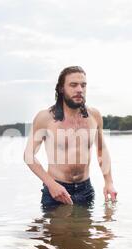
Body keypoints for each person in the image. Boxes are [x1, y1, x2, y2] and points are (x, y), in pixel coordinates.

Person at [24, 66, 117, 207]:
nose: (79, 89)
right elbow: (28, 155)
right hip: (56, 190)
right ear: (61, 88)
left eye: (83, 85)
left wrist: (109, 182)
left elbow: (101, 151)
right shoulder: (45, 117)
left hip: (85, 190)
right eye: (73, 85)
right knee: (56, 229)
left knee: (85, 229)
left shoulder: (94, 116)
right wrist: (51, 184)